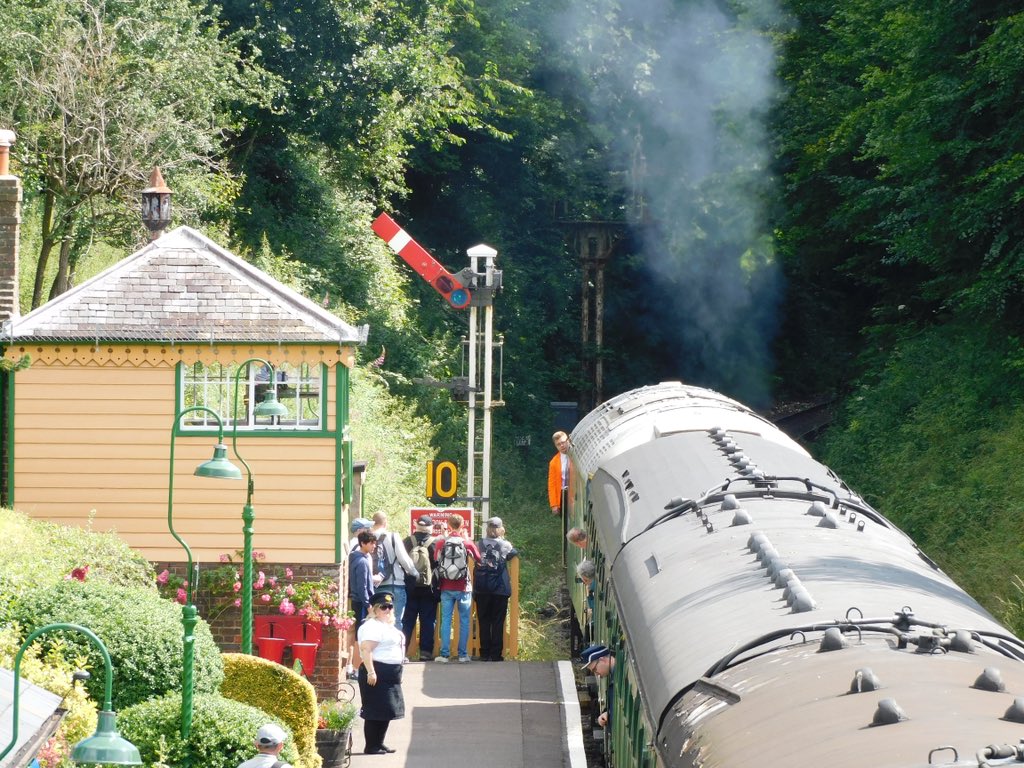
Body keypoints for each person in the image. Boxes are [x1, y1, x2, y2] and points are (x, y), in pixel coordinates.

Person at [357, 591, 406, 755]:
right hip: (377, 670)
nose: (387, 610)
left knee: (387, 710)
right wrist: (371, 672)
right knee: (375, 710)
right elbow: (366, 649)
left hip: (389, 673)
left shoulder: (387, 626)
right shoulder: (372, 626)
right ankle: (371, 746)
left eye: (390, 607)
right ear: (375, 609)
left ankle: (379, 743)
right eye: (383, 607)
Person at [433, 514, 480, 663]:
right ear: (462, 526)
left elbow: (436, 559)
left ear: (448, 525)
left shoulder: (442, 542)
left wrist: (444, 536)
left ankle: (444, 654)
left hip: (446, 586)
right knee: (464, 621)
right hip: (463, 586)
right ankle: (463, 655)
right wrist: (467, 540)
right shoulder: (466, 543)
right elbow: (478, 558)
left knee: (446, 620)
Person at [473, 516, 519, 661]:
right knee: (498, 621)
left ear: (487, 529)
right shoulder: (505, 545)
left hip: (482, 589)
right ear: (501, 529)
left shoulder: (478, 544)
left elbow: (473, 558)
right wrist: (502, 538)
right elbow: (513, 553)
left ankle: (484, 653)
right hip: (500, 589)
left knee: (483, 620)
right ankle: (496, 654)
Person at [402, 515, 440, 661]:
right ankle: (425, 652)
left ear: (416, 525)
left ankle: (402, 651)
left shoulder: (407, 541)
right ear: (430, 527)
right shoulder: (435, 543)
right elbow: (438, 564)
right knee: (428, 620)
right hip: (429, 588)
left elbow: (401, 562)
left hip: (410, 586)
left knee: (407, 621)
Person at [371, 512, 416, 624]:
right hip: (394, 584)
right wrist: (415, 573)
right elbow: (404, 559)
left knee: (378, 620)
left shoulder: (368, 537)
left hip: (375, 585)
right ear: (385, 523)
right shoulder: (392, 537)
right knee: (395, 621)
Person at [347, 529, 376, 678]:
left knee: (357, 634)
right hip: (361, 603)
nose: (373, 546)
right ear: (363, 543)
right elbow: (362, 587)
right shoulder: (362, 562)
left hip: (356, 601)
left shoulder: (354, 558)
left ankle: (353, 667)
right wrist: (368, 604)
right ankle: (357, 669)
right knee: (361, 637)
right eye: (371, 543)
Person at [580, 644, 615, 728]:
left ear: (602, 660)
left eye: (595, 669)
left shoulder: (618, 676)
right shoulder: (612, 676)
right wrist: (606, 713)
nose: (596, 674)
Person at [547, 431, 570, 515]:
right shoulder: (554, 462)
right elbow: (551, 484)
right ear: (556, 446)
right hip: (563, 496)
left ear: (568, 441)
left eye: (563, 442)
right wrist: (554, 504)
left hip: (577, 494)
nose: (562, 445)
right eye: (558, 444)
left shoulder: (577, 455)